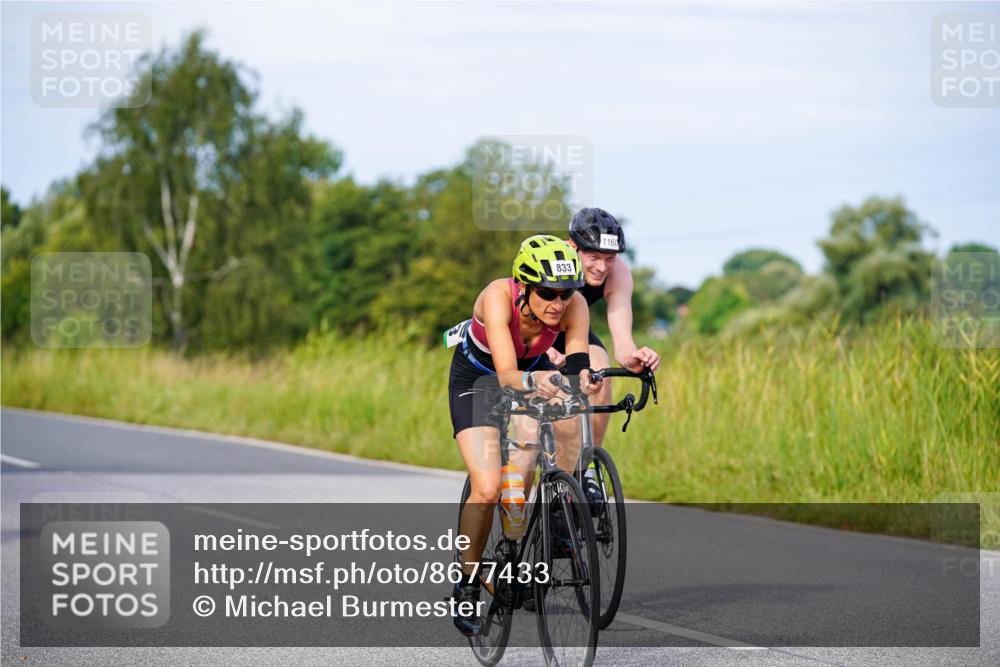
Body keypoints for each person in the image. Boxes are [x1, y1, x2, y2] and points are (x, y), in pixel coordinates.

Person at [447, 234, 601, 636]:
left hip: (532, 375)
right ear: (524, 289)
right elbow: (506, 376)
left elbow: (578, 360)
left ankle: (521, 544)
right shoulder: (497, 297)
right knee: (487, 486)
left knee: (529, 457)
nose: (558, 304)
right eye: (548, 294)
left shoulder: (574, 306)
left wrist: (584, 379)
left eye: (566, 294)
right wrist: (539, 379)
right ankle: (466, 584)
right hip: (481, 380)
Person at [548, 207, 661, 507]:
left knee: (598, 371)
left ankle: (585, 472)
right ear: (573, 248)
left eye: (609, 259)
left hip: (574, 331)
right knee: (559, 403)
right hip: (537, 335)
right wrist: (543, 350)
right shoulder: (554, 260)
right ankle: (552, 477)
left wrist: (633, 356)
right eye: (593, 257)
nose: (602, 267)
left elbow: (622, 338)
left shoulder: (619, 273)